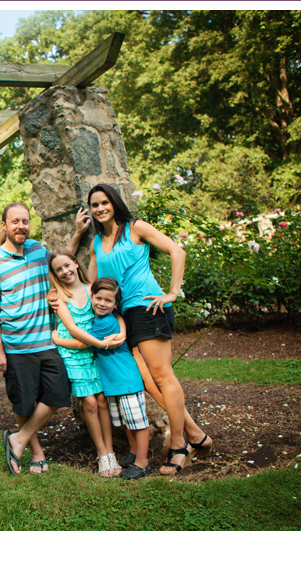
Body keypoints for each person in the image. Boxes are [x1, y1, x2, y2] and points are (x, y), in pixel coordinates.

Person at [69, 183, 212, 475]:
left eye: (104, 202)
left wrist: (172, 293)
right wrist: (76, 239)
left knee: (161, 376)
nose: (99, 209)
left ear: (115, 202)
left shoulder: (135, 228)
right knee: (146, 381)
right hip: (125, 317)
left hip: (148, 309)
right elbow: (91, 283)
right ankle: (196, 434)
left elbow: (177, 250)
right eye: (94, 205)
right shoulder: (96, 243)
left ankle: (179, 443)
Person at [0, 202, 72, 475]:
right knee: (23, 402)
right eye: (15, 222)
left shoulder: (37, 251)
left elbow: (63, 261)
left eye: (25, 221)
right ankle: (36, 451)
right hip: (16, 347)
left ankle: (17, 438)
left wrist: (78, 233)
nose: (21, 226)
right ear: (4, 226)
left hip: (46, 341)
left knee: (58, 394)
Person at [54, 277, 152, 479]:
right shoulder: (105, 318)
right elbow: (118, 318)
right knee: (126, 421)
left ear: (115, 304)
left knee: (137, 422)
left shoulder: (104, 324)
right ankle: (134, 453)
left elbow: (83, 343)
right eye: (98, 298)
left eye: (108, 301)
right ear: (92, 296)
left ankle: (143, 463)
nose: (101, 303)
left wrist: (57, 339)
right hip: (112, 382)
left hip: (125, 379)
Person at [47, 248, 122, 477]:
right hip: (74, 352)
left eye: (67, 265)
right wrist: (98, 344)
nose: (65, 271)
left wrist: (121, 334)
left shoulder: (93, 290)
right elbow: (72, 330)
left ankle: (111, 453)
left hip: (93, 352)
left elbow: (113, 312)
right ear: (54, 274)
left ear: (76, 264)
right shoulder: (59, 296)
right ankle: (101, 454)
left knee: (102, 401)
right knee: (88, 402)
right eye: (59, 269)